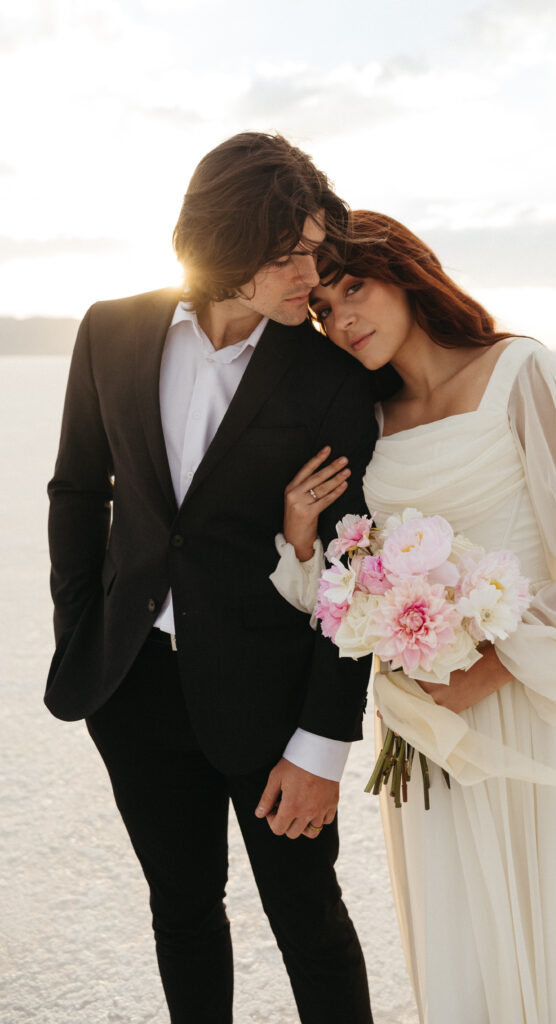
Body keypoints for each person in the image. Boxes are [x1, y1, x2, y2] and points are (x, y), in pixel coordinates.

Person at [272, 210, 556, 1023]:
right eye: (323, 308)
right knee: (463, 935)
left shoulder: (520, 372)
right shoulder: (370, 422)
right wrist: (297, 535)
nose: (342, 317)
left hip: (529, 708)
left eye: (354, 287)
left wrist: (487, 673)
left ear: (408, 272)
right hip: (425, 735)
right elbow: (348, 588)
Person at [45, 133, 378, 1024]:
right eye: (291, 253)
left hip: (273, 708)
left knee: (307, 920)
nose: (312, 273)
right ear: (226, 243)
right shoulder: (111, 329)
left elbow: (355, 574)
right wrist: (82, 633)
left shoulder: (330, 379)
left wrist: (321, 744)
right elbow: (79, 489)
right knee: (183, 913)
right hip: (133, 687)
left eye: (317, 248)